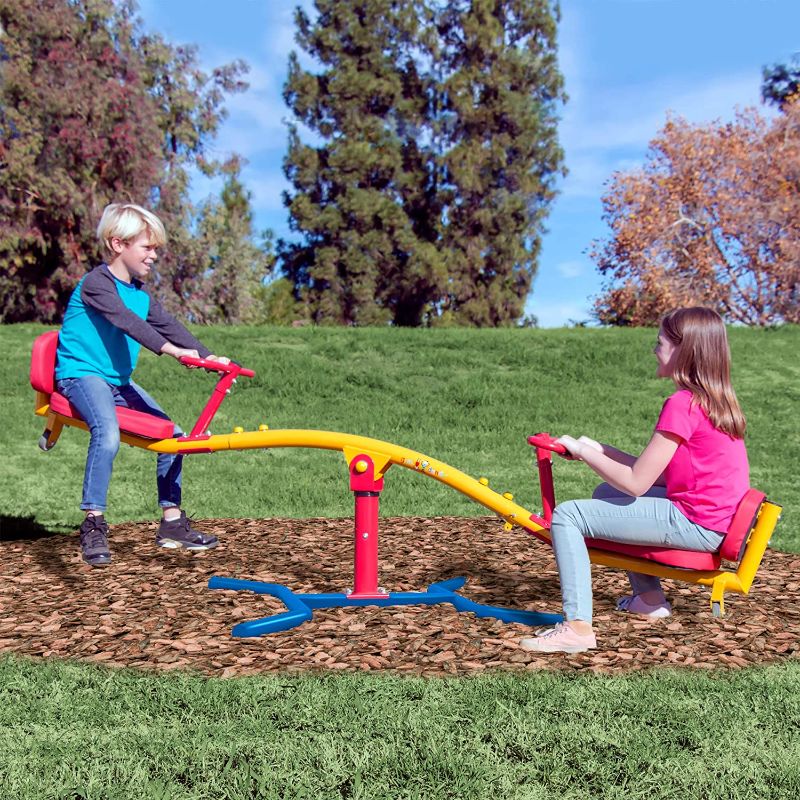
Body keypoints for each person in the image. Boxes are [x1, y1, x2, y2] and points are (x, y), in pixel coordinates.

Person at [521, 307, 749, 653]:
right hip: (712, 518)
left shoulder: (682, 403)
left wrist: (583, 454)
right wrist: (596, 448)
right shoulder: (712, 402)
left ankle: (578, 628)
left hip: (697, 523)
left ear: (683, 350)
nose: (654, 349)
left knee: (569, 516)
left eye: (660, 343)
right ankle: (649, 599)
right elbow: (651, 469)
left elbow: (637, 483)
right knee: (605, 492)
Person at [56, 203, 230, 566]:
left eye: (155, 249)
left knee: (175, 437)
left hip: (118, 383)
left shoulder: (140, 293)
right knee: (107, 433)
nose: (154, 256)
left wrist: (207, 356)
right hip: (81, 375)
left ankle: (171, 523)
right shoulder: (96, 284)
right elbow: (127, 323)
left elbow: (167, 325)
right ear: (117, 244)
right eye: (147, 247)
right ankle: (93, 523)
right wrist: (172, 352)